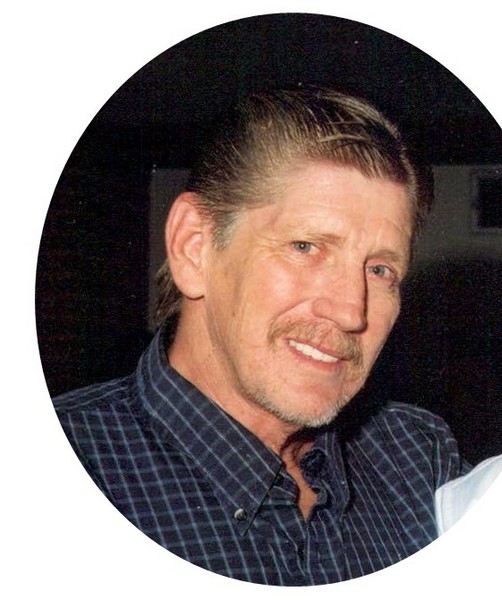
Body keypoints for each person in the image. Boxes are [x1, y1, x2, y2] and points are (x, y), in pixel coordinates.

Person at [53, 87, 467, 585]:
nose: (350, 311)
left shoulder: (419, 459)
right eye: (305, 246)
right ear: (194, 248)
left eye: (380, 270)